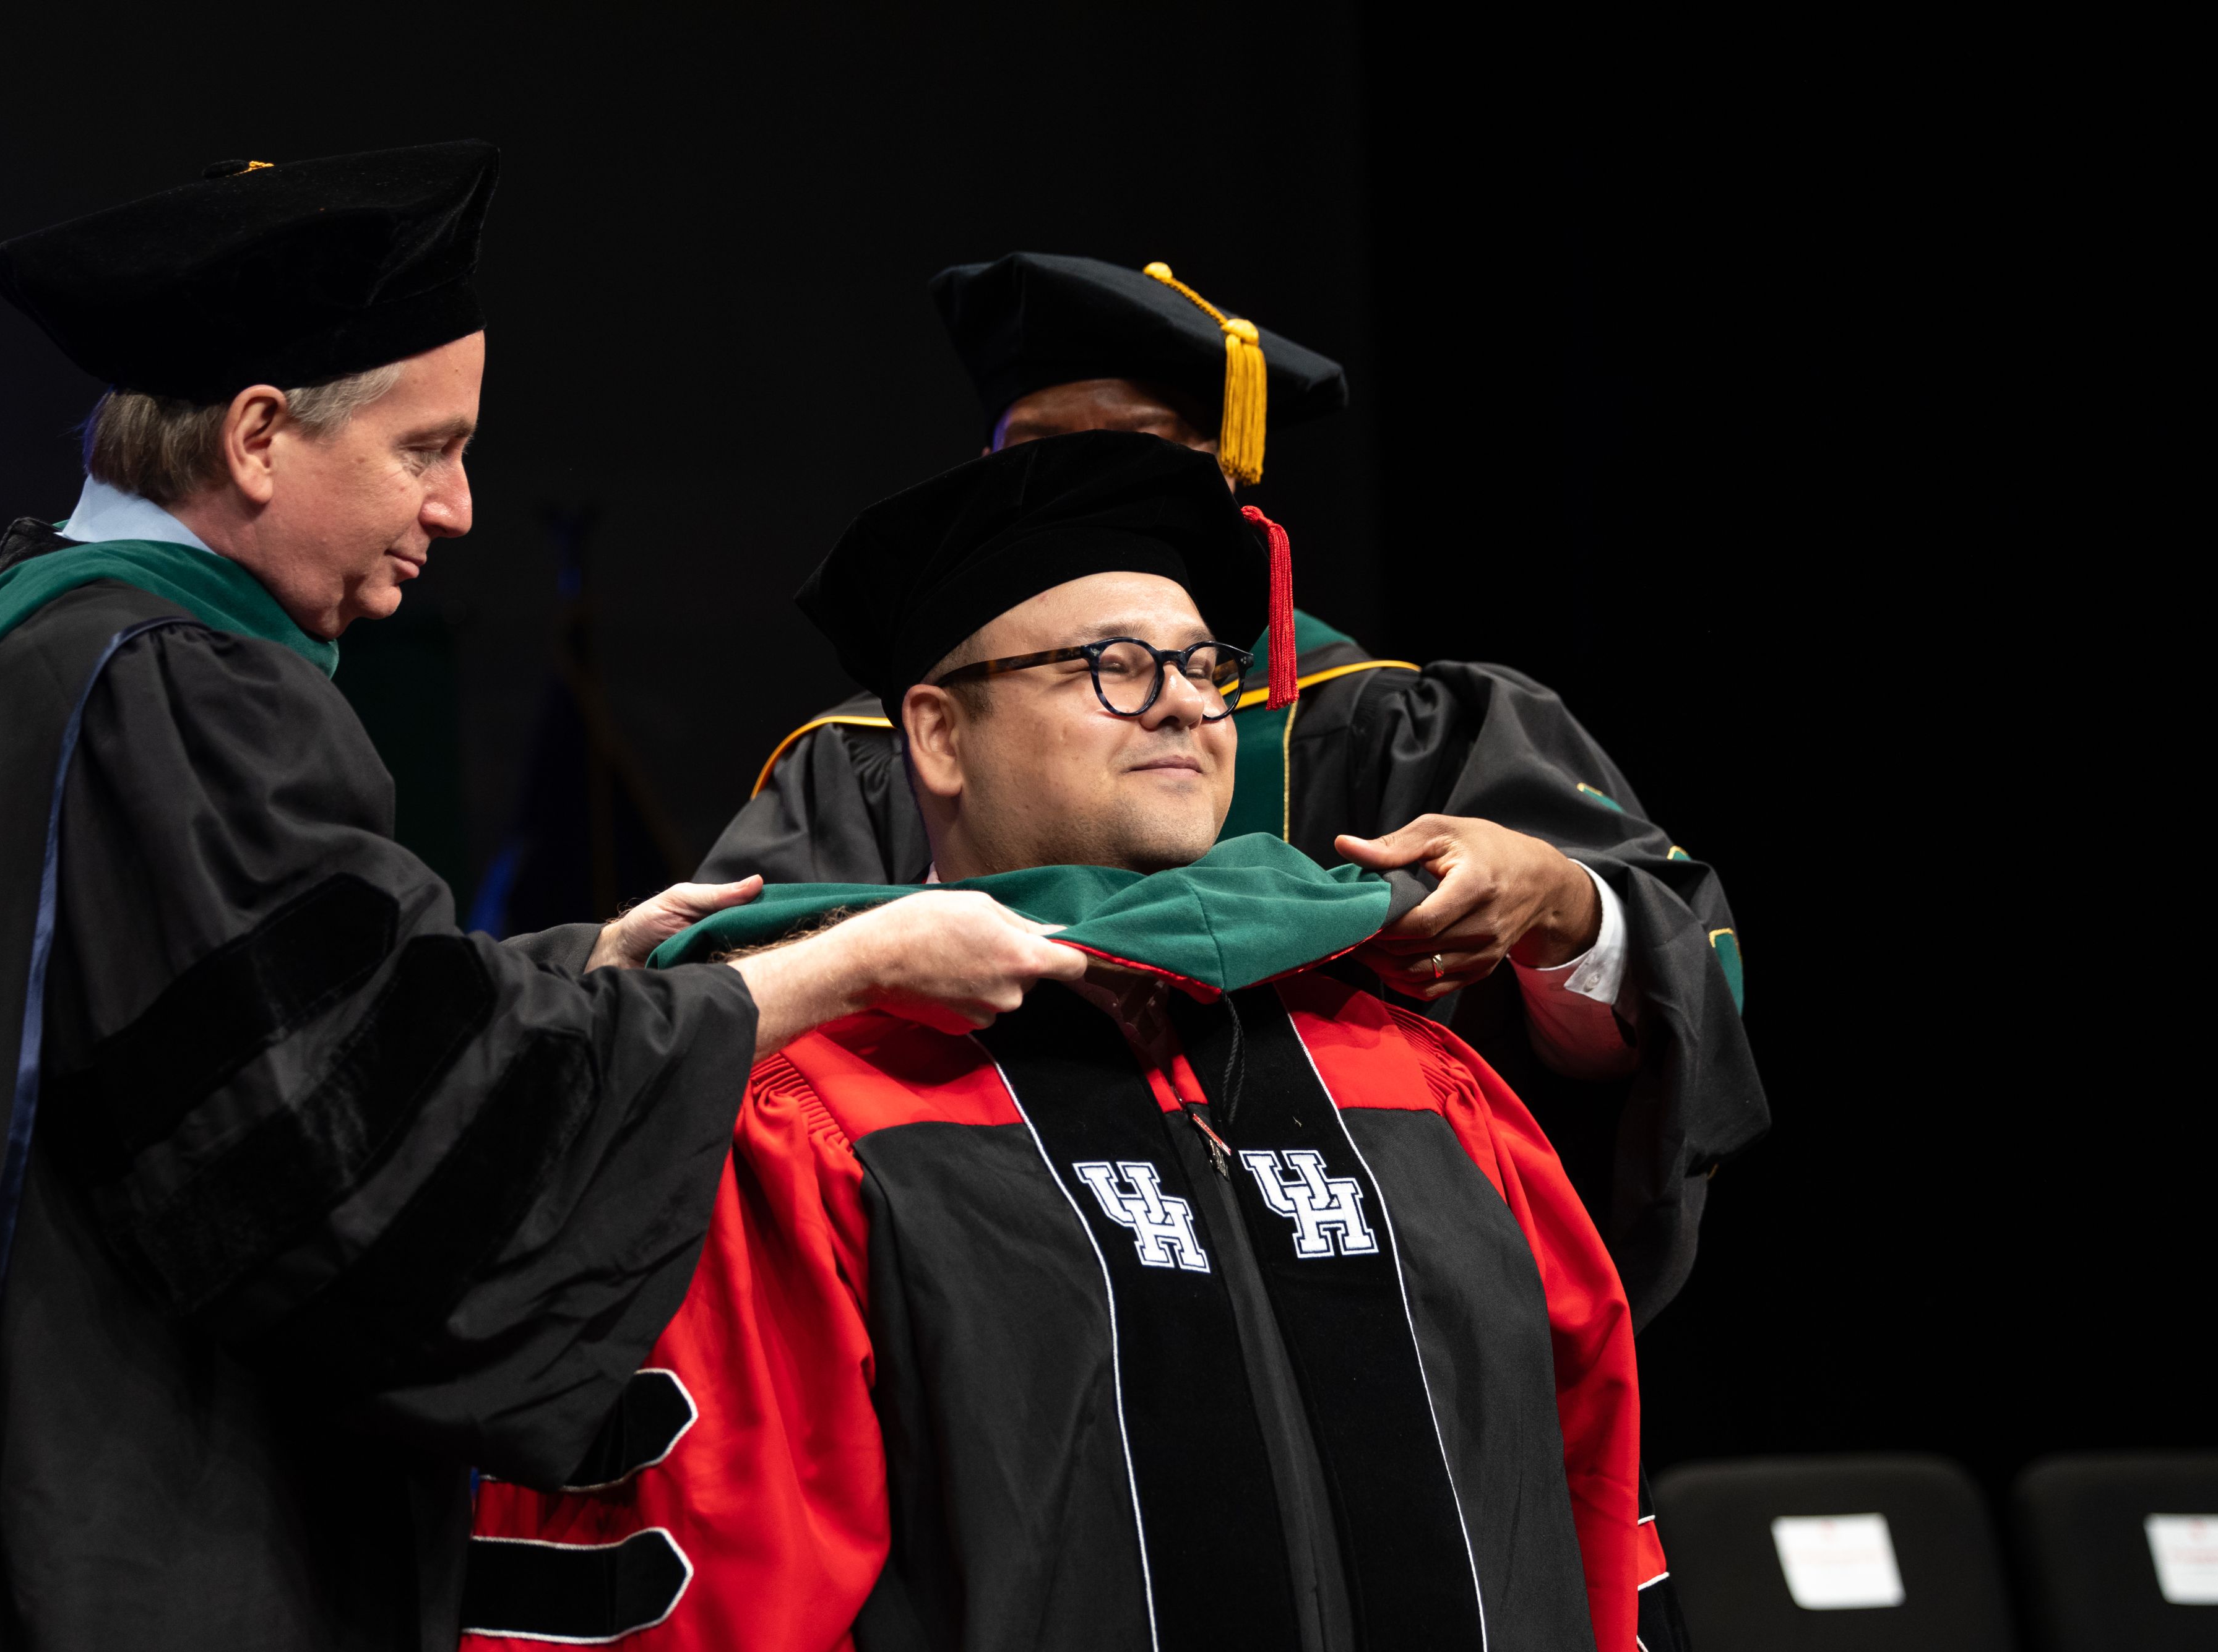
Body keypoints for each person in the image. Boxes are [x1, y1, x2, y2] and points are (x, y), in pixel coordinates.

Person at [0, 144, 1081, 1652]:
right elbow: (351, 1163)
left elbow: (278, 1032)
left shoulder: (15, 640)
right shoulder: (190, 696)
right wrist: (843, 966)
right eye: (428, 449)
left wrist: (576, 965)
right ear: (259, 436)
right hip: (145, 1513)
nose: (459, 507)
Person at [459, 430, 1704, 1652]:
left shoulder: (1420, 1084)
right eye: (1110, 666)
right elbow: (714, 1621)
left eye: (1206, 669)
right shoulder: (811, 1119)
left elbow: (1589, 1508)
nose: (1180, 700)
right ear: (937, 737)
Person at [701, 251, 1769, 1328]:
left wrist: (1557, 909)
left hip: (1386, 1309)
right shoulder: (870, 754)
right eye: (1039, 454)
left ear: (1231, 481)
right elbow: (719, 1048)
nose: (1083, 488)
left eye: (1137, 453)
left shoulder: (1397, 730)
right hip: (1002, 1313)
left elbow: (1668, 1008)